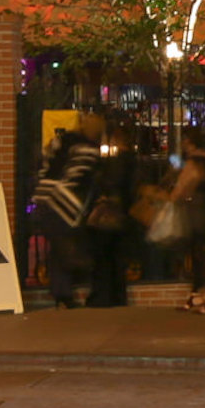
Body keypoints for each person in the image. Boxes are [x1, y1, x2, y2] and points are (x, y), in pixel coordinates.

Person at [32, 112, 103, 308]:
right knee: (67, 246)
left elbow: (44, 160)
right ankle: (66, 294)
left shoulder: (62, 140)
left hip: (45, 197)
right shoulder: (88, 149)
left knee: (58, 247)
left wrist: (45, 181)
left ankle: (61, 295)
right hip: (65, 203)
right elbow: (80, 176)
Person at [83, 120, 138, 308]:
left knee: (104, 259)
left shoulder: (117, 162)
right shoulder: (134, 160)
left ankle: (103, 297)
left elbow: (111, 185)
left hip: (110, 216)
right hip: (124, 216)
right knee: (117, 260)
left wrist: (103, 196)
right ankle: (117, 297)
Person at [171, 125, 205, 313]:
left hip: (195, 210)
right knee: (203, 252)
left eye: (184, 140)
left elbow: (183, 188)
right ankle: (195, 296)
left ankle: (203, 296)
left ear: (189, 142)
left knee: (195, 253)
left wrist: (173, 197)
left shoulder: (193, 162)